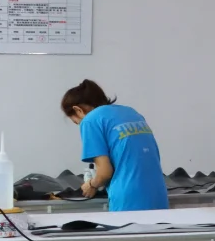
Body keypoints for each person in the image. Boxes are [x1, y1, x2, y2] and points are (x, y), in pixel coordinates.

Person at [61, 80, 169, 211]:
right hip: (158, 195)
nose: (80, 125)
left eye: (77, 122)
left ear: (78, 110)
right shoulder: (132, 113)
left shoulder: (90, 120)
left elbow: (105, 173)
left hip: (129, 199)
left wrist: (91, 185)